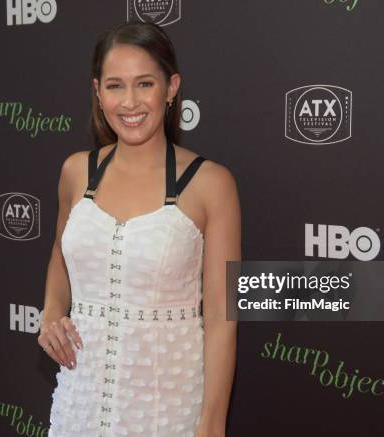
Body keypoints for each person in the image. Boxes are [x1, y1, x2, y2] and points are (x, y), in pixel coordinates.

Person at [38, 21, 241, 437]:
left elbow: (222, 316)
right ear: (98, 91)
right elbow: (61, 253)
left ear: (171, 88)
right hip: (80, 400)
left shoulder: (210, 183)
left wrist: (212, 423)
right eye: (115, 86)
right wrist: (52, 311)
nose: (129, 102)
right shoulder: (76, 171)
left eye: (144, 83)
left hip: (166, 408)